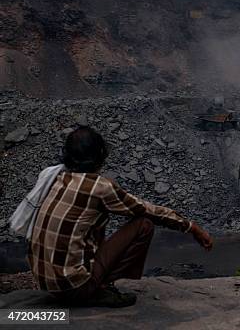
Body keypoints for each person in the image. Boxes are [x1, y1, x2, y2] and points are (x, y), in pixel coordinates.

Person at [27, 126, 213, 307]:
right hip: (74, 288)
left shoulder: (56, 178)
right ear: (100, 155)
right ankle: (99, 290)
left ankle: (93, 283)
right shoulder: (98, 187)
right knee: (144, 225)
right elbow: (145, 210)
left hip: (47, 283)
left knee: (97, 221)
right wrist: (191, 227)